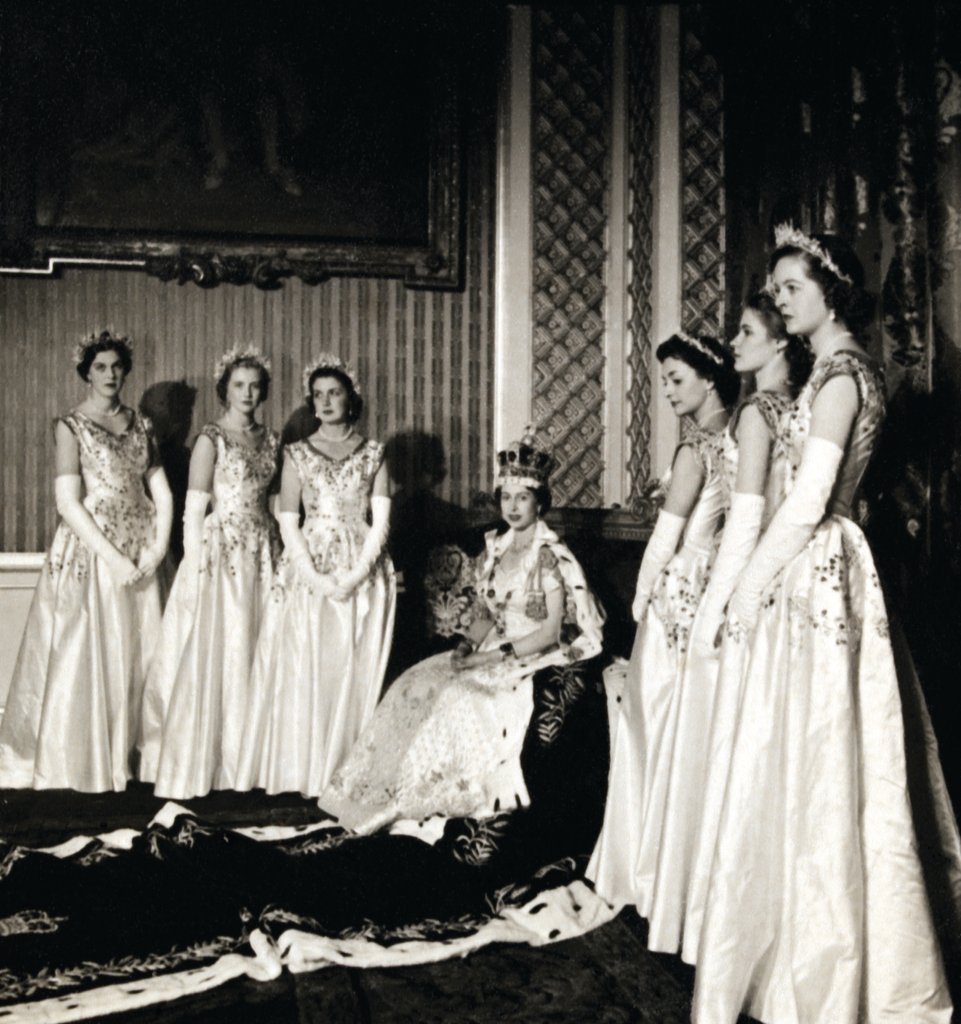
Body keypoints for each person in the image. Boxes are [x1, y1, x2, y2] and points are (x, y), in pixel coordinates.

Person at [690, 227, 961, 1024]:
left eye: (789, 287)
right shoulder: (828, 376)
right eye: (773, 289)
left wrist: (743, 591)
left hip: (818, 564)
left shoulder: (842, 376)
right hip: (809, 566)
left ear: (830, 292)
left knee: (820, 750)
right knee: (793, 747)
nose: (777, 299)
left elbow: (809, 502)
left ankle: (835, 967)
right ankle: (780, 947)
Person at [319, 431, 606, 834]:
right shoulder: (498, 548)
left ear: (539, 502)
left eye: (522, 497)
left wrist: (488, 657)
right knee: (414, 681)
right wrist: (467, 642)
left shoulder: (548, 556)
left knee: (459, 696)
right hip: (489, 647)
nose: (513, 506)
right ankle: (371, 794)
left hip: (530, 655)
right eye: (506, 497)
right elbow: (489, 611)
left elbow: (550, 632)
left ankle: (428, 797)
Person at [586, 331, 738, 940]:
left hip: (677, 599)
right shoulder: (746, 439)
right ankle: (678, 873)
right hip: (713, 596)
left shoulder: (698, 448)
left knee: (649, 730)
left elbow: (662, 543)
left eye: (677, 379)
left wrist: (640, 607)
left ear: (709, 378)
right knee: (688, 732)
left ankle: (642, 869)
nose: (669, 392)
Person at [0, 331, 172, 792]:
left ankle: (133, 759)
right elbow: (67, 502)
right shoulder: (70, 425)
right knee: (95, 652)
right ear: (86, 372)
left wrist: (155, 550)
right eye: (101, 367)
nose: (111, 374)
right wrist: (112, 558)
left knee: (142, 654)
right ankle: (85, 760)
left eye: (117, 366)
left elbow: (162, 490)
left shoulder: (141, 425)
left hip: (141, 549)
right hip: (94, 552)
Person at [234, 354, 395, 797]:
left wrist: (356, 574)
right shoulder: (297, 453)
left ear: (351, 398)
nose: (325, 402)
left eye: (334, 393)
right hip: (309, 567)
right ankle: (301, 770)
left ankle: (345, 771)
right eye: (318, 395)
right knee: (308, 664)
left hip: (361, 566)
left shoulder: (375, 452)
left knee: (349, 666)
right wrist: (317, 578)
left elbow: (380, 521)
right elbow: (287, 520)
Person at [139, 349, 281, 799]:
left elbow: (276, 504)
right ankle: (212, 760)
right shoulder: (211, 438)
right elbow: (194, 509)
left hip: (262, 549)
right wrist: (197, 564)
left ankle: (251, 760)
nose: (248, 393)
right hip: (220, 553)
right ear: (225, 390)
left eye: (255, 385)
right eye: (239, 385)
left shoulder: (273, 440)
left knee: (259, 645)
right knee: (224, 645)